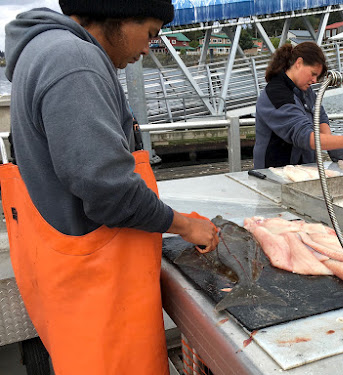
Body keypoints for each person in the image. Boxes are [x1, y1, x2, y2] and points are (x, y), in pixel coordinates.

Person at [3, 1, 219, 374]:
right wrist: (185, 225)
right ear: (117, 13)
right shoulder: (74, 60)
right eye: (150, 33)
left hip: (70, 282)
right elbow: (107, 189)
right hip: (99, 291)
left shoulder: (39, 50)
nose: (147, 49)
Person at [253, 42, 343, 169]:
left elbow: (320, 118)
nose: (314, 80)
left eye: (317, 76)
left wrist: (341, 160)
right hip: (274, 174)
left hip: (303, 169)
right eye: (313, 74)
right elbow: (304, 136)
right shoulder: (276, 95)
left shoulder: (305, 91)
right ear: (299, 63)